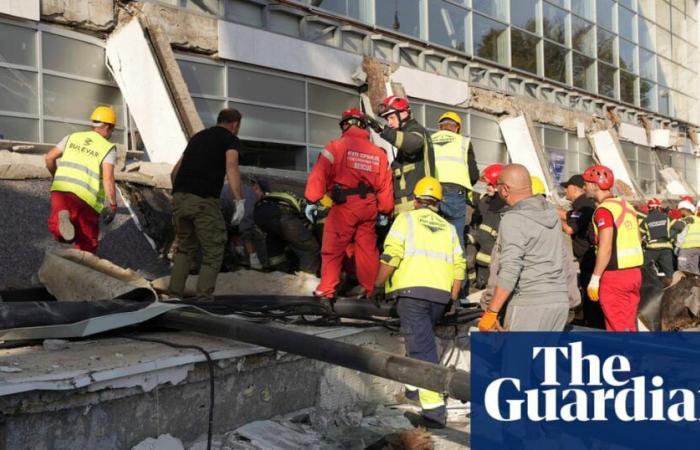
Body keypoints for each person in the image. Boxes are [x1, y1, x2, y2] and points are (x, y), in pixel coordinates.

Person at [372, 177, 465, 429]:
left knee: (423, 351)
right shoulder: (447, 228)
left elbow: (391, 255)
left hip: (412, 295)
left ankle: (434, 413)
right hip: (439, 297)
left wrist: (377, 285)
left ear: (415, 199)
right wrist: (453, 297)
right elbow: (459, 265)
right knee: (420, 343)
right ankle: (414, 392)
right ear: (438, 203)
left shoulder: (406, 220)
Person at [305, 108, 393, 300]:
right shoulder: (379, 153)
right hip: (369, 207)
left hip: (344, 205)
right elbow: (385, 187)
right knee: (367, 251)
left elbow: (318, 177)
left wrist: (314, 198)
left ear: (345, 125)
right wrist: (385, 210)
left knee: (333, 248)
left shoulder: (335, 147)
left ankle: (326, 291)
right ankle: (371, 291)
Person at [477, 164, 569, 332]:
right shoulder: (550, 213)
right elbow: (563, 257)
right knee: (542, 358)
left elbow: (510, 269)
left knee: (517, 359)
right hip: (559, 301)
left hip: (530, 303)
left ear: (505, 189)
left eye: (497, 187)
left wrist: (491, 311)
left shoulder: (513, 219)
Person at [168, 108, 244, 301]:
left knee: (185, 248)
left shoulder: (197, 137)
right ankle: (204, 299)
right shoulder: (229, 139)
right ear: (234, 124)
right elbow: (232, 166)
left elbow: (175, 171)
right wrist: (239, 199)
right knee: (214, 249)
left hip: (179, 197)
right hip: (203, 201)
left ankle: (174, 295)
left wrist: (179, 193)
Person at [45, 106, 119, 254]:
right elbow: (108, 179)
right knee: (87, 241)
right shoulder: (107, 147)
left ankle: (62, 223)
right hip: (85, 198)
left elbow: (49, 157)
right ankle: (83, 268)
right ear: (108, 127)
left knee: (58, 230)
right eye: (112, 129)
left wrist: (56, 176)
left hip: (60, 190)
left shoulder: (72, 137)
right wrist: (113, 204)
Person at [583, 164, 643, 331]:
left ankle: (623, 356)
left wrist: (595, 279)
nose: (584, 187)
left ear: (595, 185)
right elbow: (637, 238)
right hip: (635, 274)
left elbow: (606, 246)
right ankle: (634, 356)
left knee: (617, 326)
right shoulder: (626, 206)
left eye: (586, 183)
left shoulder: (604, 211)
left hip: (615, 277)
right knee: (629, 324)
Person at [366, 96, 435, 216]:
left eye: (391, 117)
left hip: (417, 208)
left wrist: (383, 131)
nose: (390, 123)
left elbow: (413, 143)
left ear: (403, 114)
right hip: (407, 209)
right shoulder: (404, 135)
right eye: (387, 120)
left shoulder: (417, 130)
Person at [558, 174, 602, 328]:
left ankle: (594, 328)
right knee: (587, 293)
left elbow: (570, 228)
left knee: (592, 298)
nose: (565, 190)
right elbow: (569, 216)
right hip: (586, 258)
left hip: (590, 258)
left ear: (575, 188)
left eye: (567, 187)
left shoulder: (585, 205)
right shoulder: (579, 206)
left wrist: (551, 215)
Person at [253, 188, 320, 275]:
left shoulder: (285, 196)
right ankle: (307, 280)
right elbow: (305, 233)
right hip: (282, 214)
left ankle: (279, 274)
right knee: (309, 248)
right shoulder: (312, 209)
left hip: (259, 212)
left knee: (276, 240)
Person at [469, 163, 506, 289]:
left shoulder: (505, 208)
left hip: (492, 266)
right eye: (487, 184)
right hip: (479, 261)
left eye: (491, 184)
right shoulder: (485, 201)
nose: (487, 187)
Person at [640, 198, 675, 278]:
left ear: (649, 208)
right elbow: (680, 226)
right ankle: (671, 288)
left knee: (644, 270)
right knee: (669, 273)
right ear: (659, 207)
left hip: (652, 249)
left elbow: (640, 235)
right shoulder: (666, 218)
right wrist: (670, 237)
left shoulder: (646, 220)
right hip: (666, 248)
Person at [675, 200, 700, 274]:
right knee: (694, 268)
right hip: (697, 248)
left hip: (686, 248)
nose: (680, 212)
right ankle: (697, 284)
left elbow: (681, 235)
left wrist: (677, 246)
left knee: (683, 269)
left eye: (680, 210)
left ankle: (685, 285)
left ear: (684, 210)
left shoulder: (684, 221)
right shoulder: (698, 219)